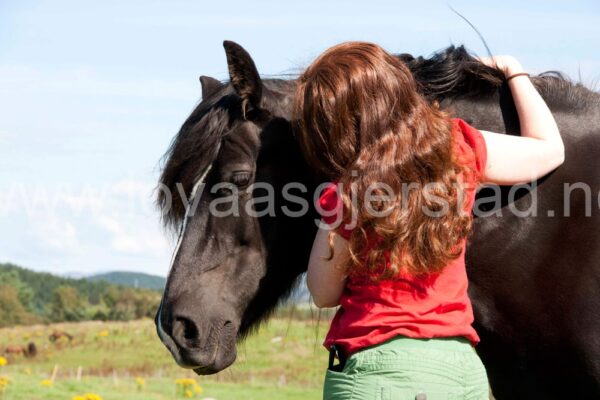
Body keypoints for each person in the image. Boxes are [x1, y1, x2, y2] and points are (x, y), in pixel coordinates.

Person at [293, 42, 564, 400]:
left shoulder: (346, 193)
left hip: (377, 370)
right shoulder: (458, 148)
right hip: (458, 368)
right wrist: (513, 69)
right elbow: (549, 149)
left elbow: (323, 292)